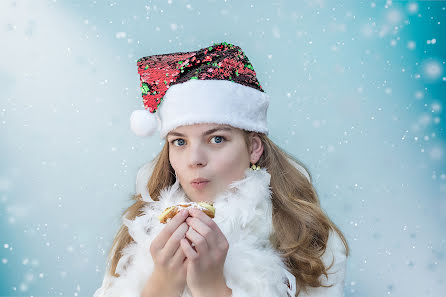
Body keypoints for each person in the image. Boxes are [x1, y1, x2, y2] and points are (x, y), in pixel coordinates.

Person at [93, 42, 350, 297]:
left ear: (254, 148)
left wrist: (212, 289)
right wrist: (162, 286)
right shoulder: (139, 231)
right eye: (179, 141)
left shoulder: (307, 239)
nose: (194, 159)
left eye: (216, 139)